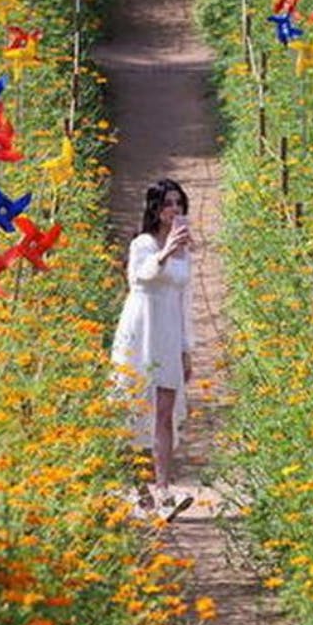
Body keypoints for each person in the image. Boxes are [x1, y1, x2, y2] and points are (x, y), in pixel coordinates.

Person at [111, 179, 195, 519]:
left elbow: (185, 299)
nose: (174, 210)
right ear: (156, 209)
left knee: (164, 412)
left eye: (178, 204)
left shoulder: (184, 251)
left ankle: (163, 490)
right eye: (168, 204)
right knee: (133, 404)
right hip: (141, 327)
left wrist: (186, 348)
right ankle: (137, 485)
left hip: (169, 330)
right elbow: (142, 277)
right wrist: (165, 252)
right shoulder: (143, 244)